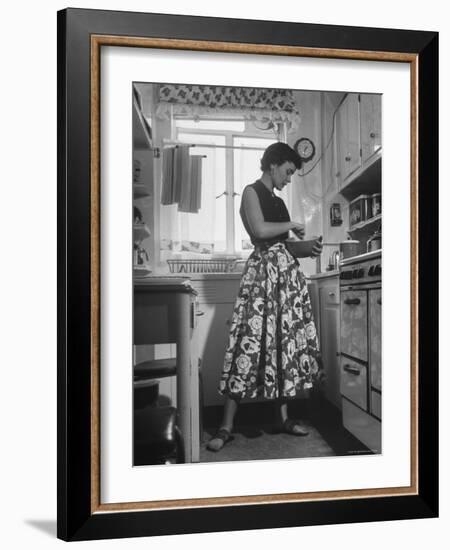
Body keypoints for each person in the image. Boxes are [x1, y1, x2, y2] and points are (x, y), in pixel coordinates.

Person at [207, 141, 324, 452]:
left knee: (283, 346)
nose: (288, 179)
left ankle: (283, 418)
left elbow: (285, 245)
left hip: (286, 279)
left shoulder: (280, 203)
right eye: (287, 171)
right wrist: (292, 225)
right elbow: (259, 230)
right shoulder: (250, 192)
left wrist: (308, 246)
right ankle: (226, 426)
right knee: (248, 342)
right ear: (274, 164)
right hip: (262, 279)